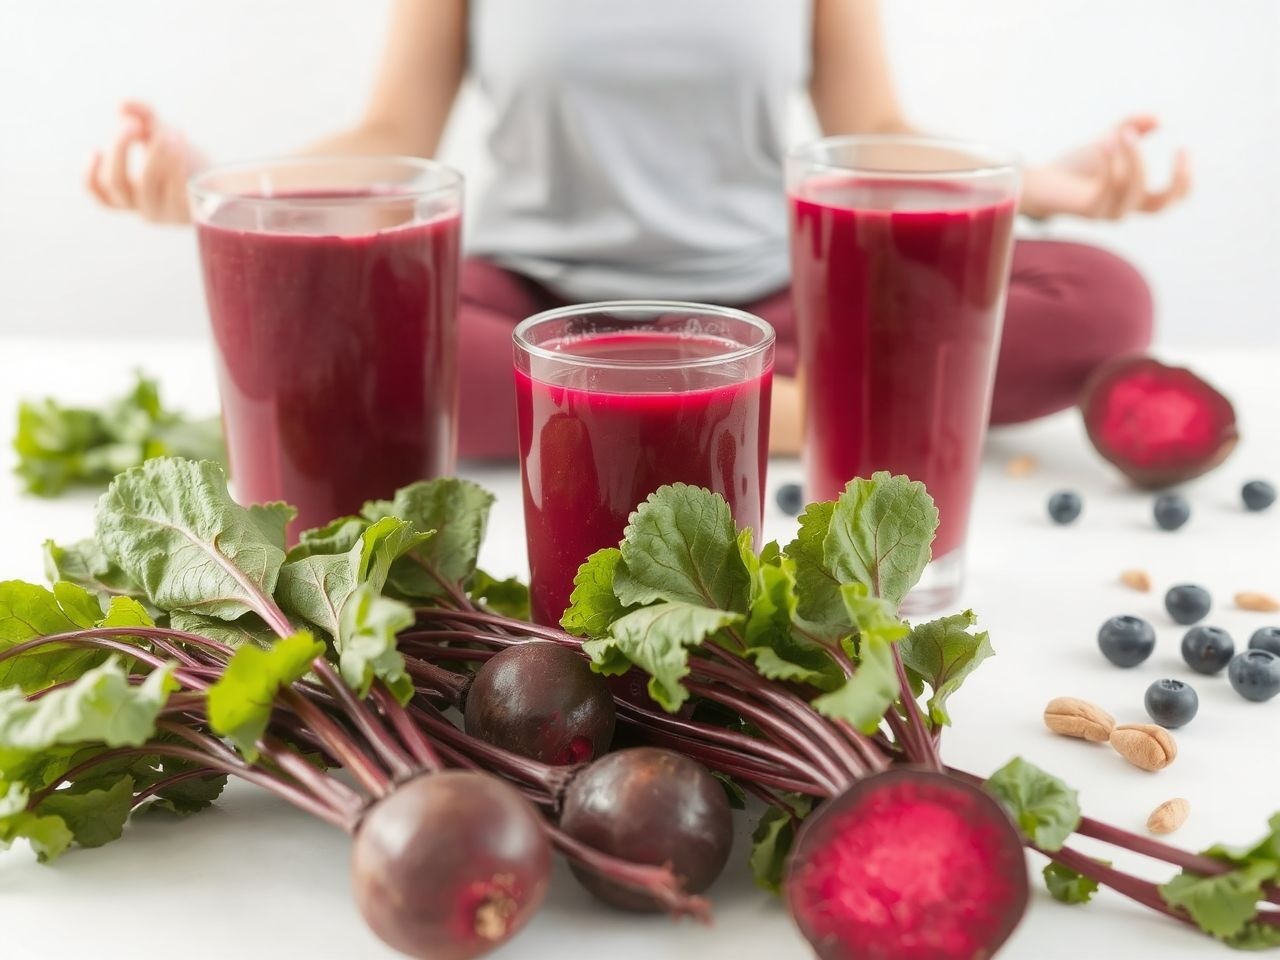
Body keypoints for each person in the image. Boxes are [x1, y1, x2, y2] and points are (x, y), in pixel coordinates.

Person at [86, 0, 1191, 459]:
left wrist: (1040, 181)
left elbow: (873, 132)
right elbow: (390, 136)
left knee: (1103, 299)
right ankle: (800, 417)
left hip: (761, 298)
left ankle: (698, 403)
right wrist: (216, 183)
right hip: (525, 300)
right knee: (386, 349)